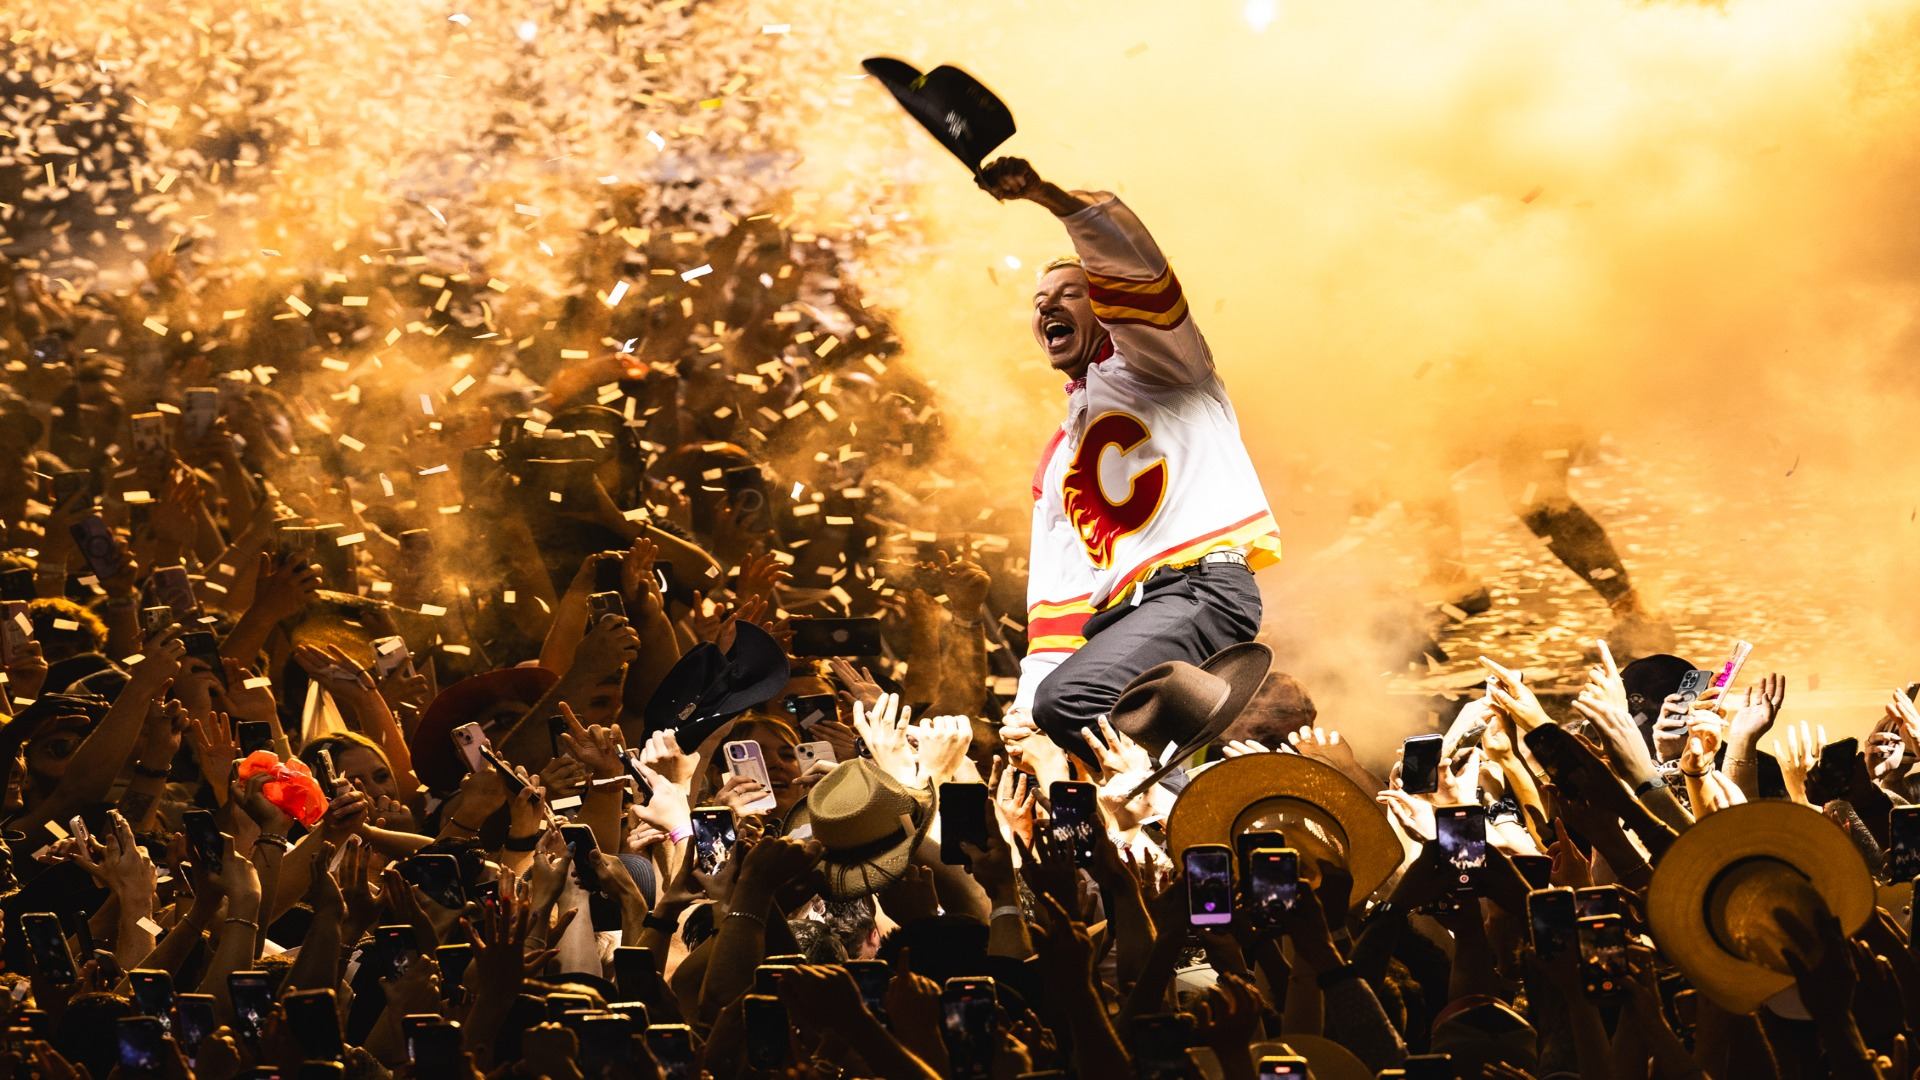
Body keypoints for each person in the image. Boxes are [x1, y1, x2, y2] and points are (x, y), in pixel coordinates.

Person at [974, 156, 1282, 761]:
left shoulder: (1164, 367)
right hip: (1122, 616)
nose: (1046, 307)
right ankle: (1181, 808)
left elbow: (1138, 274)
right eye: (1039, 300)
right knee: (1065, 714)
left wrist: (1049, 197)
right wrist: (1027, 700)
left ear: (1107, 306)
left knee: (1071, 704)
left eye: (1069, 293)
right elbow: (1058, 590)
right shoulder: (1062, 456)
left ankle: (1170, 802)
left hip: (1200, 589)